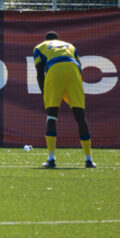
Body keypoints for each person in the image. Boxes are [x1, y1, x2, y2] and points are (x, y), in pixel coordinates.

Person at [34, 31, 94, 169]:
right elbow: (79, 67)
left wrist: (45, 93)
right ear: (58, 39)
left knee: (51, 115)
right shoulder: (69, 45)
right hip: (73, 71)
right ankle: (88, 160)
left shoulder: (40, 47)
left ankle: (51, 159)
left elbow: (40, 73)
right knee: (80, 116)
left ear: (46, 39)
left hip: (55, 71)